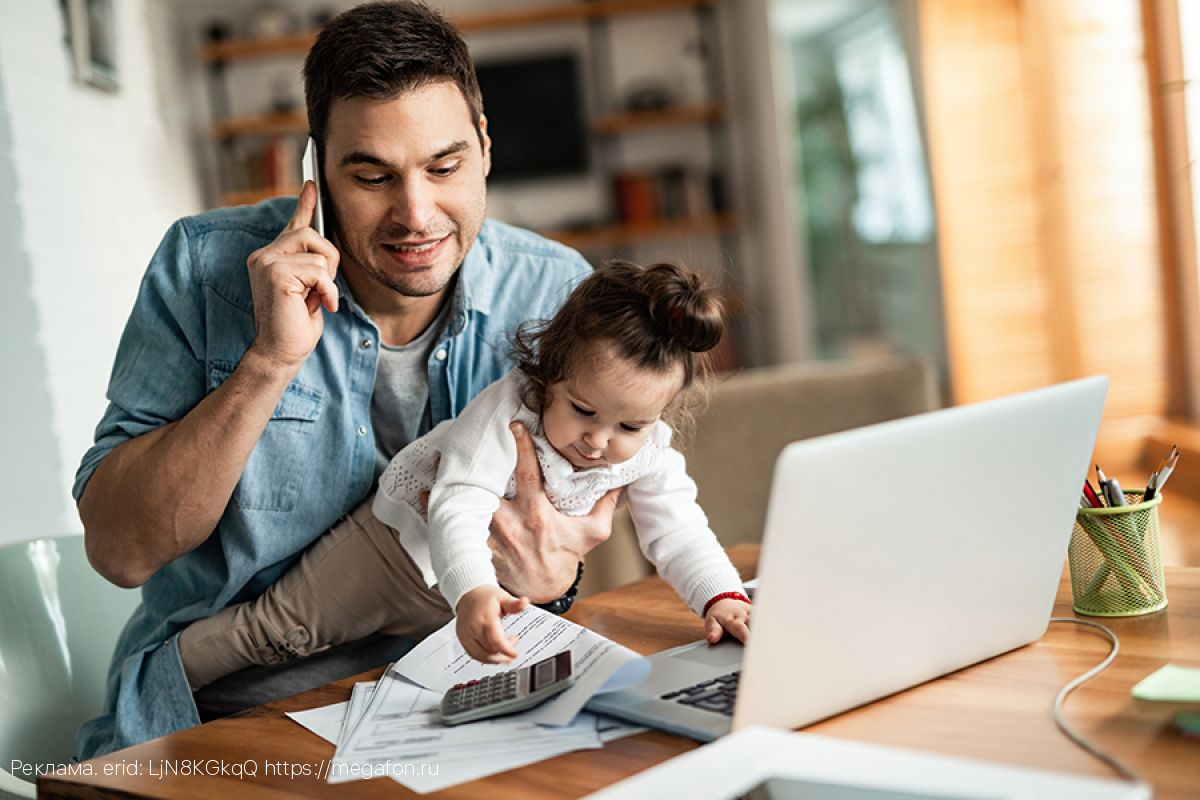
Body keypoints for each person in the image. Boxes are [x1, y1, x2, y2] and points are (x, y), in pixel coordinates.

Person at [72, 1, 612, 759]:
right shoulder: (203, 271)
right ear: (315, 172)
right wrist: (268, 362)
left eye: (444, 167)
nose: (416, 214)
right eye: (371, 176)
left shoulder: (558, 293)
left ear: (485, 148)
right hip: (232, 713)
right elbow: (120, 552)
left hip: (465, 695)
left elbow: (572, 533)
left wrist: (558, 573)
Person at [176, 260, 752, 688]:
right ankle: (169, 676)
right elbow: (459, 504)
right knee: (277, 634)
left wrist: (720, 599)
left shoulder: (649, 451)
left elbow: (678, 529)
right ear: (550, 373)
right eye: (582, 411)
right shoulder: (508, 411)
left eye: (631, 425)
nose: (599, 442)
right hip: (394, 551)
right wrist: (475, 591)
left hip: (467, 595)